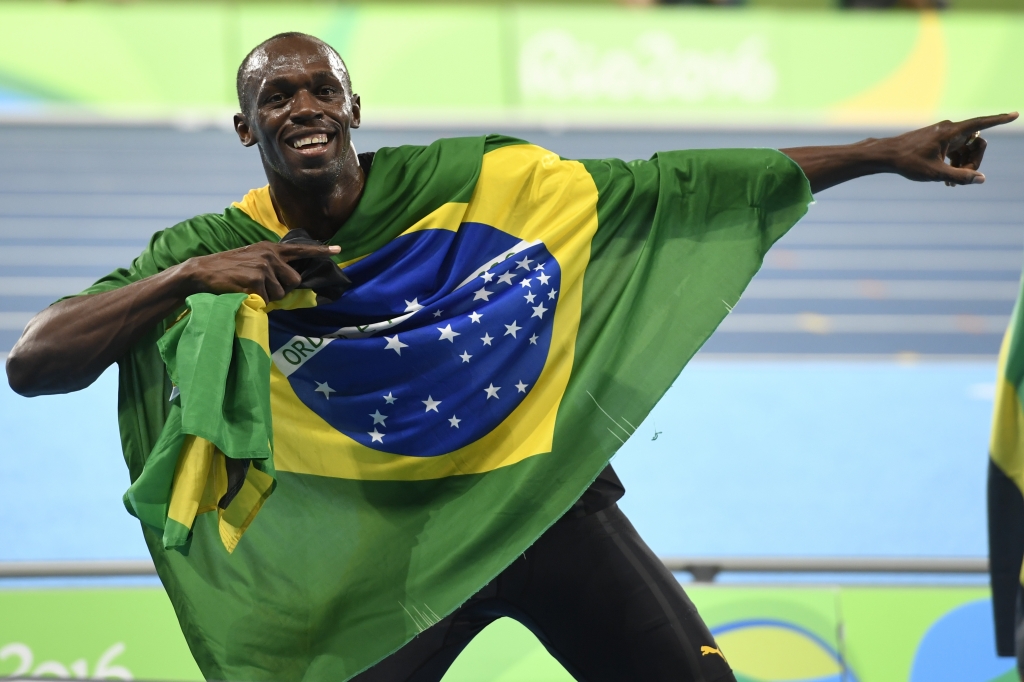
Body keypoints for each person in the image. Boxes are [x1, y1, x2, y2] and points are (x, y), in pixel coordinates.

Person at [5, 32, 1015, 682]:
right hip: (391, 550)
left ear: (353, 110)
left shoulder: (475, 181)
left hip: (546, 511)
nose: (302, 105)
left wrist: (881, 151)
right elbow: (37, 358)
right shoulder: (206, 247)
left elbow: (674, 187)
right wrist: (189, 282)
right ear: (244, 126)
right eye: (276, 95)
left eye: (321, 87)